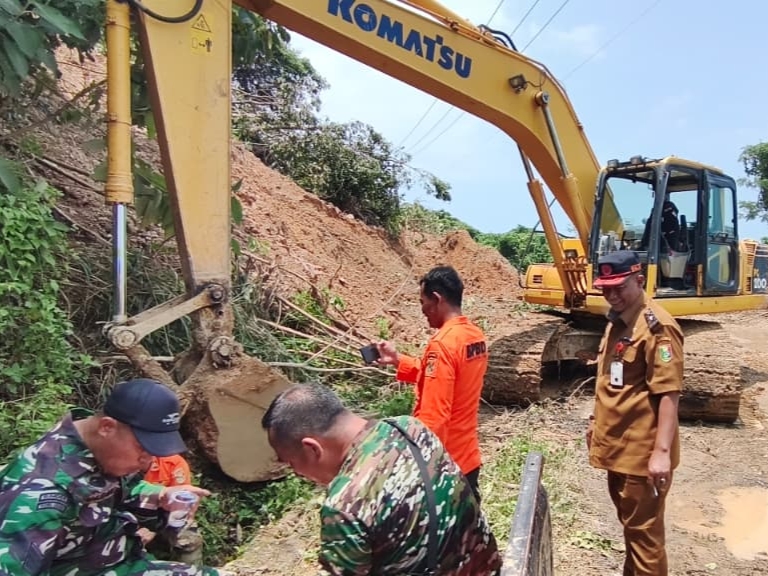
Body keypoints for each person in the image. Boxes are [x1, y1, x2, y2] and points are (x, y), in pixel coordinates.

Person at [261, 383, 502, 576]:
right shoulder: (409, 428)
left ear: (312, 448)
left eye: (291, 463)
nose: (298, 474)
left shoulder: (344, 504)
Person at [0, 378, 221, 576]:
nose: (149, 461)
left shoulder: (98, 450)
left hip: (122, 565)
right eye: (143, 448)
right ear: (107, 427)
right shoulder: (41, 493)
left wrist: (161, 496)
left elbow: (120, 489)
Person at [586, 250, 683, 576]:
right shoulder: (618, 322)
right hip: (619, 450)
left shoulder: (657, 328)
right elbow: (612, 380)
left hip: (642, 457)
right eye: (606, 288)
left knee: (645, 540)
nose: (612, 295)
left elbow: (669, 393)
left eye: (619, 287)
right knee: (633, 531)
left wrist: (661, 454)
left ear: (640, 281)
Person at [375, 265, 488, 501]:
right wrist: (398, 361)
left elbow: (434, 417)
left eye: (422, 302)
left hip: (446, 464)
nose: (422, 310)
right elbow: (446, 379)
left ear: (437, 299)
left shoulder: (443, 344)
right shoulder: (474, 336)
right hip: (468, 457)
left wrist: (421, 468)